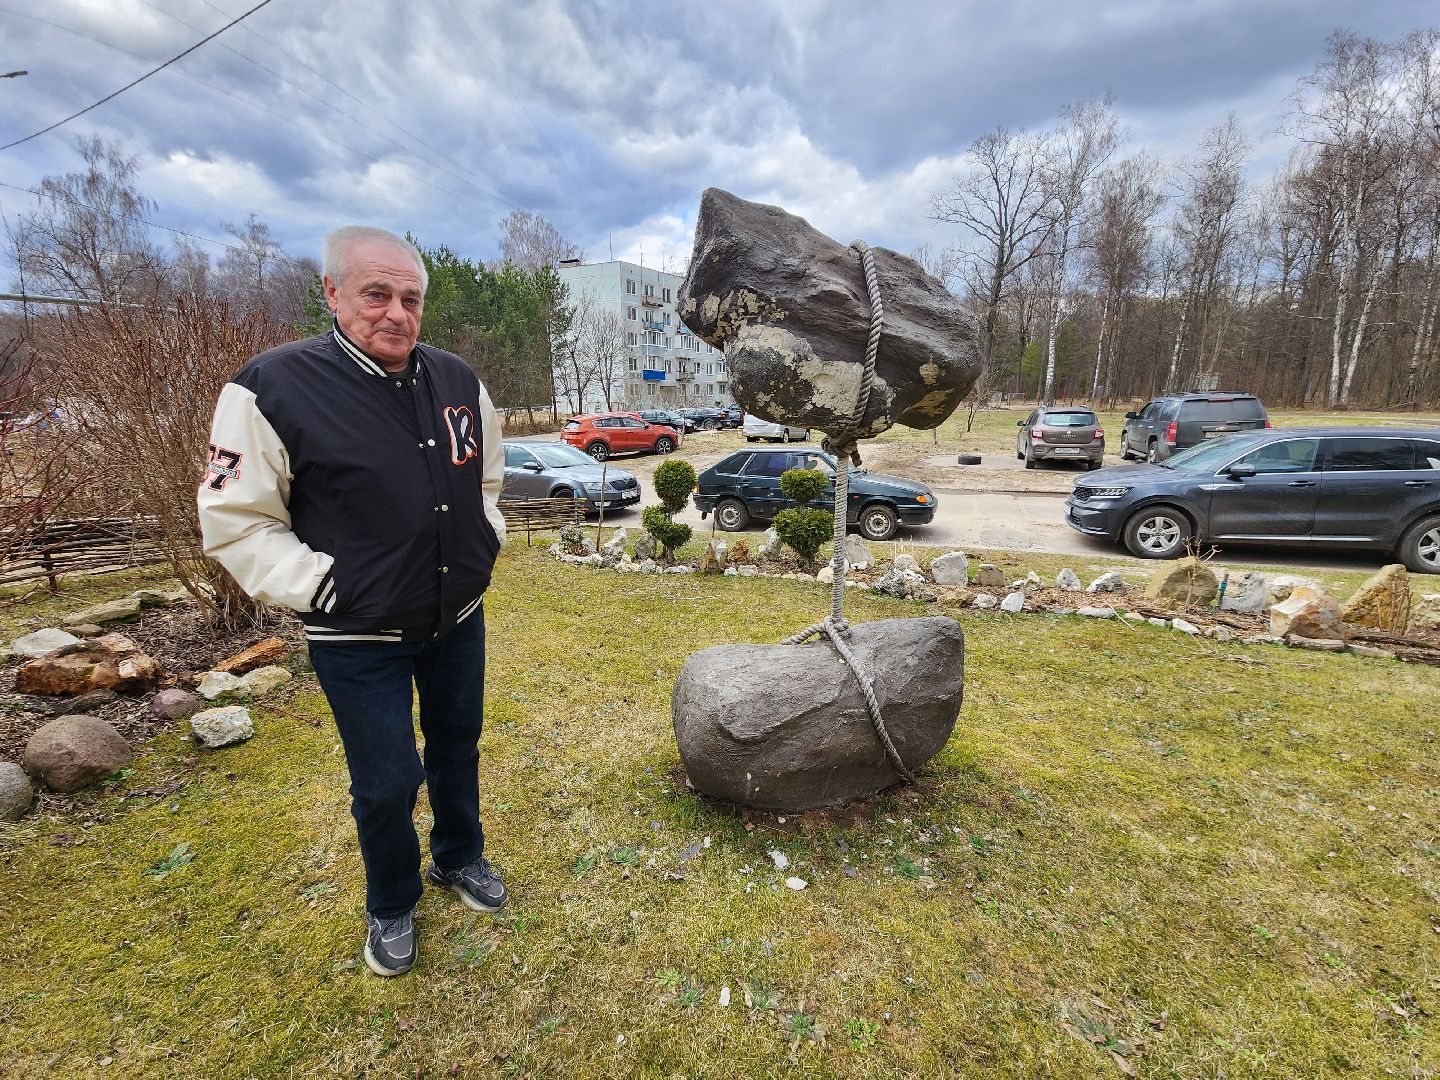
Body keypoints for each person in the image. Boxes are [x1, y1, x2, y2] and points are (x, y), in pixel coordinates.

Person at [198, 225, 507, 978]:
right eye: (377, 294)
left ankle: (459, 854)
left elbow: (486, 481)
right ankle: (392, 901)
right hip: (357, 633)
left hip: (456, 617)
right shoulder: (272, 388)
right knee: (386, 780)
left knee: (457, 747)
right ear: (333, 293)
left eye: (411, 298)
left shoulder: (458, 380)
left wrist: (484, 541)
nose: (397, 313)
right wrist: (322, 587)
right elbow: (236, 520)